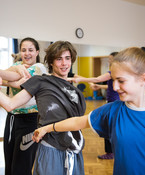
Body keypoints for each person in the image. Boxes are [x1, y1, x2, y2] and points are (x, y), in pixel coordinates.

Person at [32, 46, 145, 175]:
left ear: (143, 79)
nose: (115, 87)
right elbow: (77, 122)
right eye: (113, 80)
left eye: (121, 81)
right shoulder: (113, 111)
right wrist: (47, 128)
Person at [0, 41, 86, 175]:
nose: (64, 63)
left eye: (67, 58)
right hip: (50, 148)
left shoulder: (76, 93)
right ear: (51, 62)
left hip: (73, 149)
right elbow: (10, 104)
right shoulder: (40, 81)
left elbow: (77, 123)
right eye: (59, 59)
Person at [2, 37, 47, 175]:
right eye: (23, 50)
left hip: (30, 120)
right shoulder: (18, 66)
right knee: (9, 162)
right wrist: (16, 68)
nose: (27, 53)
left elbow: (15, 82)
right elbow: (8, 77)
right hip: (12, 119)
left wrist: (9, 81)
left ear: (37, 52)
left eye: (31, 50)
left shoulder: (39, 68)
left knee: (21, 167)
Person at [68, 52, 120, 159]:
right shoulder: (116, 74)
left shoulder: (112, 73)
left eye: (111, 59)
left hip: (113, 104)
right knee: (111, 127)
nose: (109, 61)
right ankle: (114, 151)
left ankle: (111, 152)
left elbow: (97, 79)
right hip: (112, 103)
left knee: (109, 127)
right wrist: (98, 87)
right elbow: (109, 86)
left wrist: (81, 80)